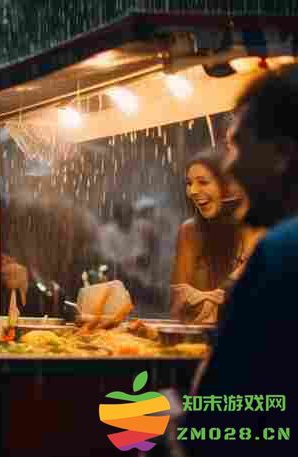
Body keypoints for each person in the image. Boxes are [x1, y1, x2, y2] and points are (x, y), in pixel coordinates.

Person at [177, 65, 298, 456]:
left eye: (238, 147)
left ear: (281, 154)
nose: (229, 167)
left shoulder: (282, 253)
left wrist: (164, 418)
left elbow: (215, 426)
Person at [170, 152, 265, 323]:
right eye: (189, 183)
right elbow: (179, 306)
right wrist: (200, 301)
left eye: (203, 182)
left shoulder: (258, 229)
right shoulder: (190, 231)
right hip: (200, 339)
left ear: (230, 185)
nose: (192, 191)